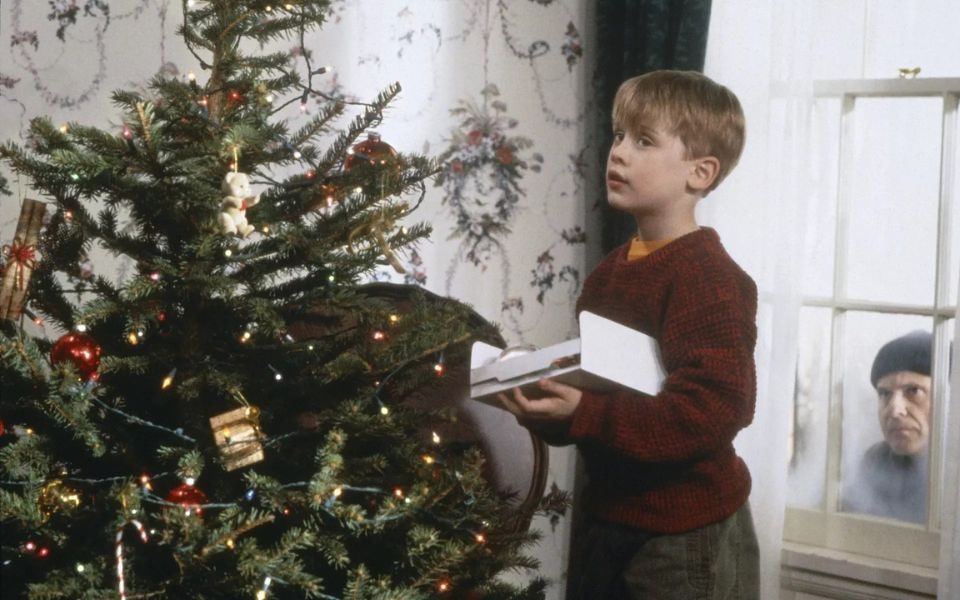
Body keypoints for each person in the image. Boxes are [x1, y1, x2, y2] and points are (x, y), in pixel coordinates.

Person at [498, 70, 759, 599]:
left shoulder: (709, 279)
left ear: (701, 172)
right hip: (606, 521)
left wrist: (583, 413)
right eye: (619, 136)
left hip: (683, 534)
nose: (617, 152)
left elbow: (712, 411)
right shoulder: (607, 276)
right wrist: (549, 409)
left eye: (643, 141)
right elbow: (602, 405)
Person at [842, 330, 932, 523]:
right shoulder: (875, 459)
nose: (894, 410)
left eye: (913, 391)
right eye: (884, 394)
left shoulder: (952, 470)